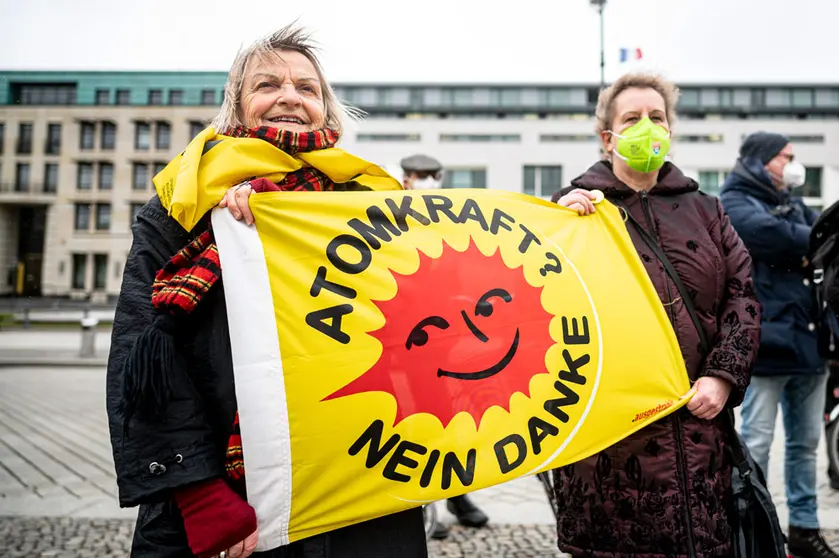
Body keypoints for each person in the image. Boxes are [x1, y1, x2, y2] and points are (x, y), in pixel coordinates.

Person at [106, 25, 427, 558]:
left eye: (307, 87)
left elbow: (429, 324)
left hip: (360, 484)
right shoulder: (181, 205)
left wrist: (568, 220)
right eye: (268, 85)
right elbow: (141, 357)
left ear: (326, 109)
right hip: (229, 494)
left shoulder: (372, 203)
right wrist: (201, 495)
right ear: (237, 109)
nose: (290, 97)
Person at [552, 72, 760, 558]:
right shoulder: (573, 214)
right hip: (611, 446)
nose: (647, 126)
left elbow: (742, 294)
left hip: (700, 431)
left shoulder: (706, 209)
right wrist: (557, 229)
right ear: (608, 138)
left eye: (657, 117)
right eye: (632, 118)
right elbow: (549, 308)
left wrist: (722, 377)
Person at [720, 132, 838, 557]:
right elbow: (776, 235)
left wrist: (805, 242)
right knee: (756, 443)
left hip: (808, 344)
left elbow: (820, 237)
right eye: (784, 156)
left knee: (805, 446)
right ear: (759, 160)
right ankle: (755, 530)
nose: (792, 164)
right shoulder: (733, 200)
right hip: (766, 346)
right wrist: (805, 243)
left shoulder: (791, 201)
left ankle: (805, 530)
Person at [397, 152, 491, 541]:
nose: (427, 182)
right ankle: (420, 505)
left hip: (441, 349)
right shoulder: (387, 220)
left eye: (433, 176)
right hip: (398, 347)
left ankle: (455, 495)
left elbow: (461, 278)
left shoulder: (447, 224)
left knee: (449, 425)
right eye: (420, 176)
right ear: (405, 179)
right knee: (408, 427)